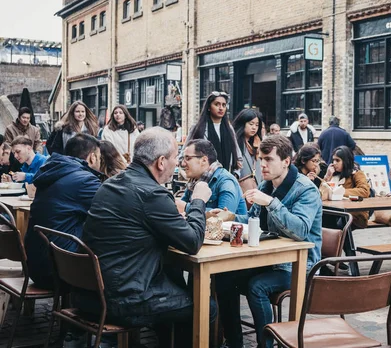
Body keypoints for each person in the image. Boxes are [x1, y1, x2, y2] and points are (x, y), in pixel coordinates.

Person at [81, 127, 215, 347]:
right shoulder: (152, 193)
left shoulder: (110, 184)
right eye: (175, 157)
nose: (178, 163)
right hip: (123, 299)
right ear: (161, 162)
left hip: (91, 292)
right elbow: (192, 242)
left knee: (173, 280)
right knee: (206, 306)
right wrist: (198, 201)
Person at [216, 135, 322, 348]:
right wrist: (230, 217)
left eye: (268, 159)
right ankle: (234, 342)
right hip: (269, 260)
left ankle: (266, 345)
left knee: (257, 286)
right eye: (260, 158)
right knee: (223, 276)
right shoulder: (267, 185)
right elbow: (255, 221)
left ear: (286, 161)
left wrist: (272, 203)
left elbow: (300, 230)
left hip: (299, 265)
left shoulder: (306, 189)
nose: (262, 164)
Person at [25, 133, 103, 289]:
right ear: (92, 157)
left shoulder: (53, 172)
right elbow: (113, 211)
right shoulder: (85, 180)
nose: (100, 162)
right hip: (61, 272)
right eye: (100, 158)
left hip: (36, 266)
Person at [178, 139, 247, 215]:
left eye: (188, 158)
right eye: (183, 159)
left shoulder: (226, 181)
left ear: (204, 160)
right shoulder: (194, 181)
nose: (183, 163)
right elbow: (179, 207)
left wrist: (186, 207)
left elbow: (224, 217)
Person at [187, 91, 242, 175]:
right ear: (209, 107)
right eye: (217, 104)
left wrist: (236, 174)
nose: (221, 108)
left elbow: (238, 157)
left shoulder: (229, 129)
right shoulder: (198, 128)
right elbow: (184, 154)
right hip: (204, 178)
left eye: (224, 105)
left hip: (226, 178)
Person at [323, 145, 371, 228]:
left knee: (334, 221)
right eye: (333, 160)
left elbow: (364, 191)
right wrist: (327, 177)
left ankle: (337, 240)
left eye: (337, 160)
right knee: (324, 217)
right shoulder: (333, 174)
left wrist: (340, 192)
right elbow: (322, 193)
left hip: (353, 213)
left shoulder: (356, 173)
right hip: (335, 210)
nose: (334, 163)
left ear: (345, 161)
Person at [233, 108, 264, 187]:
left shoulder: (259, 144)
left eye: (257, 125)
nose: (254, 127)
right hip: (240, 188)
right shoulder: (234, 143)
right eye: (251, 124)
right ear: (243, 124)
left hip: (257, 188)